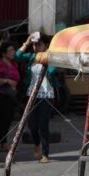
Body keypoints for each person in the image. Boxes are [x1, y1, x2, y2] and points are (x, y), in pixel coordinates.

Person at [15, 32, 57, 163]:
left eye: (38, 44)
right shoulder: (31, 56)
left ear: (45, 45)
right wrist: (26, 43)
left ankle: (45, 153)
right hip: (31, 94)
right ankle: (37, 143)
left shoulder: (50, 56)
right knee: (31, 124)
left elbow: (53, 71)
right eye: (34, 45)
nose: (35, 47)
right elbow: (17, 56)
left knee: (43, 123)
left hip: (47, 95)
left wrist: (47, 59)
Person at [0, 42, 20, 152]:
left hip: (11, 96)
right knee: (1, 119)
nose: (13, 52)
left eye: (13, 50)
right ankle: (2, 143)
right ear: (3, 53)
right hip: (1, 95)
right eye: (10, 50)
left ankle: (3, 141)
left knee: (8, 119)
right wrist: (6, 81)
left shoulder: (14, 64)